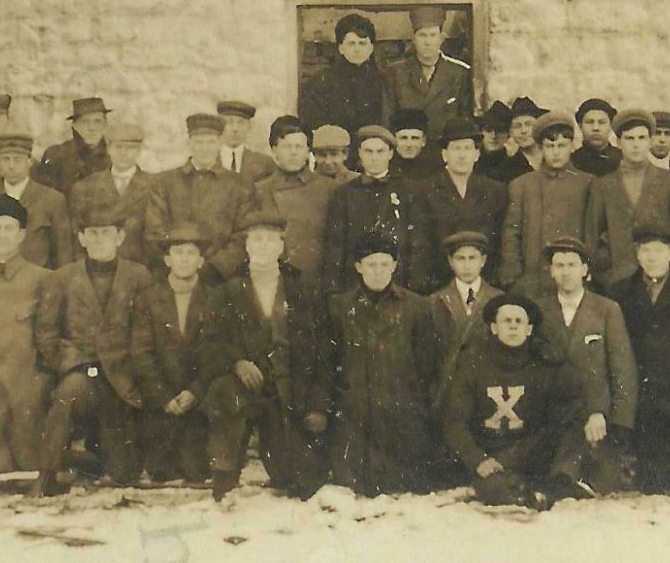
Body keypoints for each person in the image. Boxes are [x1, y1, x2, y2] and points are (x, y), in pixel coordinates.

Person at [202, 212, 329, 501]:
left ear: (281, 247)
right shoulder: (228, 289)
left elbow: (321, 351)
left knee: (297, 478)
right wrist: (237, 362)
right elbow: (211, 342)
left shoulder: (301, 289)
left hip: (288, 389)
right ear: (246, 246)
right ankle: (226, 467)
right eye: (256, 239)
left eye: (270, 240)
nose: (262, 246)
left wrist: (317, 405)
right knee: (224, 391)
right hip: (245, 387)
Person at [31, 209, 152, 497]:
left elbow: (148, 330)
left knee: (125, 474)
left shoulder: (138, 275)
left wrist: (132, 367)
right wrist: (75, 365)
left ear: (120, 237)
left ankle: (88, 462)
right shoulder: (61, 278)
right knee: (68, 394)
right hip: (82, 372)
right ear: (82, 238)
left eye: (107, 232)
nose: (100, 240)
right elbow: (47, 334)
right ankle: (48, 472)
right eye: (93, 233)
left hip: (123, 377)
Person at [443, 293, 587, 509]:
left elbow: (558, 421)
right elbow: (455, 422)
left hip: (530, 452)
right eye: (506, 321)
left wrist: (515, 457)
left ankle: (555, 487)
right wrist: (477, 459)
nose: (513, 327)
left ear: (529, 330)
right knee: (499, 490)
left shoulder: (543, 367)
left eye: (519, 321)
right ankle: (526, 494)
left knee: (571, 424)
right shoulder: (473, 366)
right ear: (493, 328)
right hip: (490, 456)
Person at [327, 231, 436, 496]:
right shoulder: (339, 306)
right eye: (371, 265)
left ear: (395, 266)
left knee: (403, 484)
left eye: (385, 264)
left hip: (400, 409)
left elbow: (426, 363)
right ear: (358, 267)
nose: (378, 272)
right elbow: (331, 360)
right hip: (355, 411)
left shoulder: (416, 307)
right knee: (353, 483)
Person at [534, 237, 638, 494]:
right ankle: (563, 480)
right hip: (553, 414)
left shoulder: (606, 309)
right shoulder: (539, 310)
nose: (565, 272)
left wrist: (617, 421)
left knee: (602, 478)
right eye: (559, 265)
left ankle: (567, 480)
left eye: (572, 264)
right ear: (551, 271)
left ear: (585, 270)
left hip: (598, 417)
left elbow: (623, 369)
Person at [609, 225, 670, 494]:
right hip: (641, 385)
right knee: (651, 476)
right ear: (637, 255)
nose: (652, 257)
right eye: (645, 250)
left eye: (659, 250)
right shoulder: (620, 291)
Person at [131, 224, 222, 484]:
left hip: (197, 399)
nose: (184, 259)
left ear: (201, 261)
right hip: (161, 399)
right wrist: (163, 397)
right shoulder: (147, 300)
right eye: (178, 252)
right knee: (160, 472)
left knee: (197, 472)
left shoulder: (214, 298)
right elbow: (141, 354)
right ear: (167, 259)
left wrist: (195, 391)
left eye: (191, 253)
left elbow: (216, 353)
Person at [0, 195, 54, 480]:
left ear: (22, 234)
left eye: (9, 228)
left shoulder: (43, 279)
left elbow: (50, 340)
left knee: (27, 466)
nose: (3, 235)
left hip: (25, 387)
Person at [585, 109, 670, 286]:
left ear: (650, 141)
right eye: (629, 138)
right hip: (617, 279)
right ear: (618, 142)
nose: (636, 145)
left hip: (662, 278)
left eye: (641, 138)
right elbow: (592, 235)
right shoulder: (603, 185)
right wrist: (604, 271)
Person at [145, 114, 253, 286]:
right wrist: (178, 265)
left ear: (219, 144)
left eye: (210, 142)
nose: (205, 148)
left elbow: (243, 233)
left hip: (220, 279)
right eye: (199, 142)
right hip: (173, 278)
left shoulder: (238, 185)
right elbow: (155, 231)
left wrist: (216, 268)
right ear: (189, 144)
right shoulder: (165, 182)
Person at [499, 112, 593, 297]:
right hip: (532, 283)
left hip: (574, 282)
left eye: (561, 145)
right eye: (550, 146)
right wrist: (514, 278)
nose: (556, 152)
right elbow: (511, 233)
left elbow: (593, 232)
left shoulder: (587, 184)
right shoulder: (522, 185)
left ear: (572, 147)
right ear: (541, 148)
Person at [410, 117, 507, 294]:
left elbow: (500, 240)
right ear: (444, 154)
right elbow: (420, 244)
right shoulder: (424, 191)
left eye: (467, 148)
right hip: (439, 282)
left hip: (484, 282)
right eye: (456, 148)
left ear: (477, 154)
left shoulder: (496, 191)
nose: (462, 155)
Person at [322, 125, 416, 295]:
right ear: (359, 153)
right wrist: (335, 291)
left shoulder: (407, 192)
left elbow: (415, 243)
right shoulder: (344, 194)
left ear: (390, 154)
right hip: (355, 285)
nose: (374, 158)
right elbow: (335, 247)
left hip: (397, 283)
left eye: (380, 151)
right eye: (368, 151)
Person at [253, 116, 343, 288]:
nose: (293, 152)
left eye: (299, 146)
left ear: (308, 151)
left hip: (316, 283)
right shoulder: (259, 190)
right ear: (274, 150)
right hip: (274, 286)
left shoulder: (329, 189)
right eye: (287, 146)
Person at [430, 231, 503, 413]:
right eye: (460, 259)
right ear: (450, 262)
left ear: (483, 261)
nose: (467, 265)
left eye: (473, 258)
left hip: (486, 387)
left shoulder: (499, 299)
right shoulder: (434, 301)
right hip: (447, 388)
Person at [69, 122, 158, 269]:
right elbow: (76, 232)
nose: (123, 153)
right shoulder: (86, 186)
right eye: (118, 147)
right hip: (97, 267)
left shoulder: (155, 185)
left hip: (141, 266)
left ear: (139, 150)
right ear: (109, 149)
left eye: (130, 148)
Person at [381, 6, 473, 142]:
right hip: (408, 149)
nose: (428, 42)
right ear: (413, 39)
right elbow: (387, 119)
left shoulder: (460, 72)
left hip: (444, 150)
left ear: (442, 38)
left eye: (433, 35)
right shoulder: (395, 72)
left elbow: (465, 120)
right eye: (422, 35)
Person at [0, 133, 73, 269]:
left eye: (17, 160)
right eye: (6, 159)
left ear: (29, 162)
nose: (11, 166)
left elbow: (63, 252)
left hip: (38, 281)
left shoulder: (51, 199)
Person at [299, 13, 382, 134]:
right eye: (351, 43)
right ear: (341, 48)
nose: (357, 49)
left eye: (362, 43)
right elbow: (314, 124)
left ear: (371, 48)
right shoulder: (320, 81)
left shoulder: (383, 81)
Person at [33, 97, 111, 196]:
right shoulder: (56, 155)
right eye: (85, 122)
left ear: (105, 125)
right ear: (74, 126)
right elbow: (44, 196)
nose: (92, 128)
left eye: (97, 121)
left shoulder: (113, 156)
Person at [217, 100, 276, 187]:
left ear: (249, 126)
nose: (235, 129)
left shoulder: (265, 164)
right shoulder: (208, 161)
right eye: (229, 122)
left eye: (241, 123)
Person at [474, 100, 523, 184]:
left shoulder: (516, 162)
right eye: (488, 130)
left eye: (499, 131)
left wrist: (512, 158)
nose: (493, 136)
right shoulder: (472, 160)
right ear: (481, 132)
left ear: (508, 134)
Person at [571, 98, 621, 177]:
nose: (596, 128)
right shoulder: (571, 162)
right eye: (589, 122)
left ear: (611, 126)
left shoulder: (622, 159)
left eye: (602, 122)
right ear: (580, 126)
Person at [388, 108, 443, 181]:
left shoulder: (436, 172)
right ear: (394, 139)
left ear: (423, 141)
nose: (409, 144)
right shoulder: (384, 168)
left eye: (414, 138)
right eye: (403, 138)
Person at [504, 96, 549, 174]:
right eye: (517, 126)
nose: (523, 131)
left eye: (529, 124)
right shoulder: (508, 166)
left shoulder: (555, 157)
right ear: (511, 132)